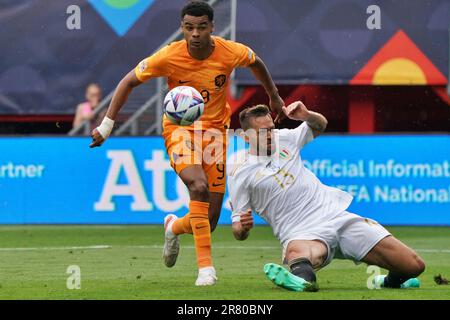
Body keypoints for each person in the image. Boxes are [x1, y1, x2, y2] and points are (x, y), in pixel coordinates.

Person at [89, 1, 284, 286]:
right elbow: (127, 82)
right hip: (180, 130)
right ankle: (206, 270)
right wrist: (106, 126)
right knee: (198, 186)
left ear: (211, 28)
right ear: (182, 28)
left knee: (210, 220)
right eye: (189, 28)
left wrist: (274, 96)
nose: (195, 34)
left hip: (216, 134)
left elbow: (256, 63)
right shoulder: (168, 56)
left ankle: (173, 226)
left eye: (201, 27)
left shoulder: (230, 51)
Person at [228, 101, 425, 292]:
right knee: (298, 255)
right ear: (246, 137)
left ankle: (388, 281)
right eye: (262, 132)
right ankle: (302, 280)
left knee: (414, 266)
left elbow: (320, 125)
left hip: (337, 216)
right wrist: (243, 228)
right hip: (300, 232)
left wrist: (306, 115)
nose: (269, 135)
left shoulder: (285, 138)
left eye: (270, 129)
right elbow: (238, 228)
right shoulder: (240, 172)